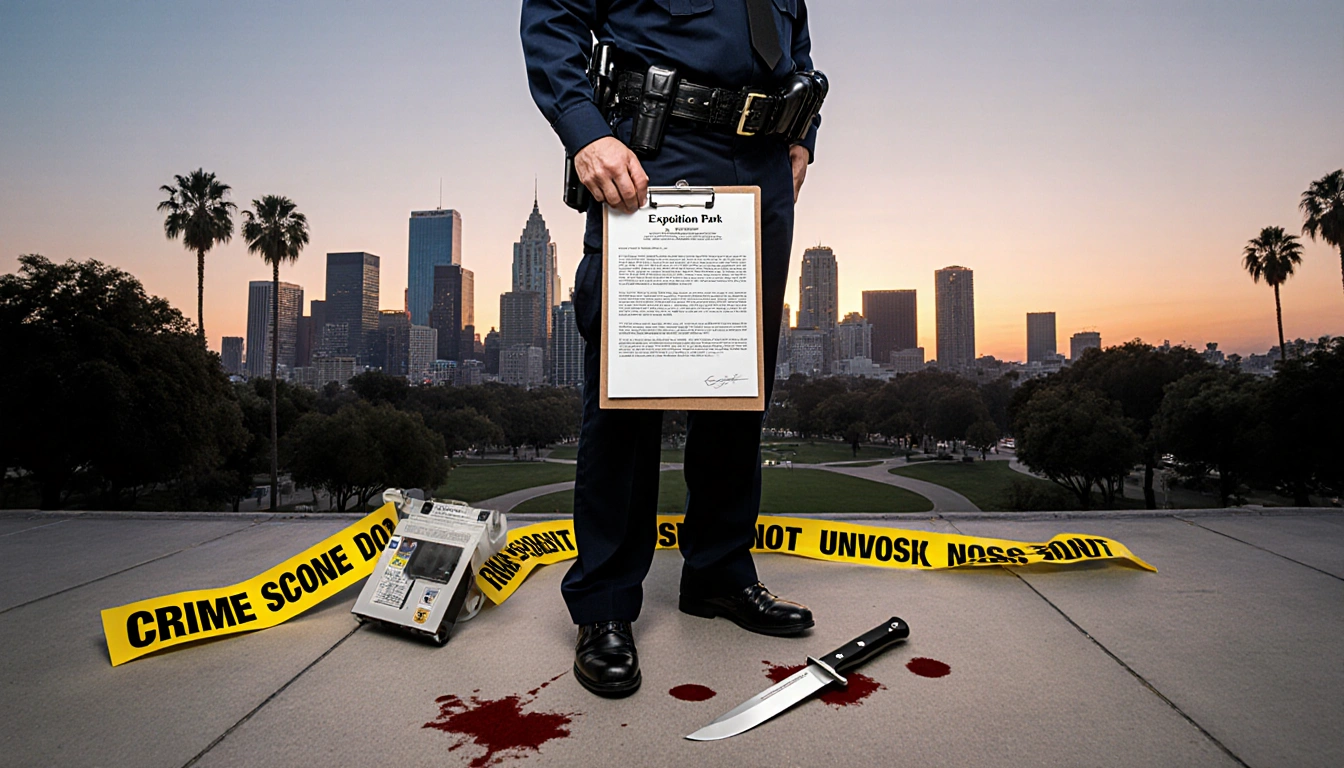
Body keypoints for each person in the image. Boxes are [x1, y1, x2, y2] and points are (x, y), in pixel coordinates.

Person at [521, 0, 822, 698]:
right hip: (655, 148)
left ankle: (719, 574)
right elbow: (552, 19)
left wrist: (805, 135)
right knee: (630, 389)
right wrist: (585, 132)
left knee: (738, 381)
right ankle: (604, 603)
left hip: (764, 160)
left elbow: (796, 36)